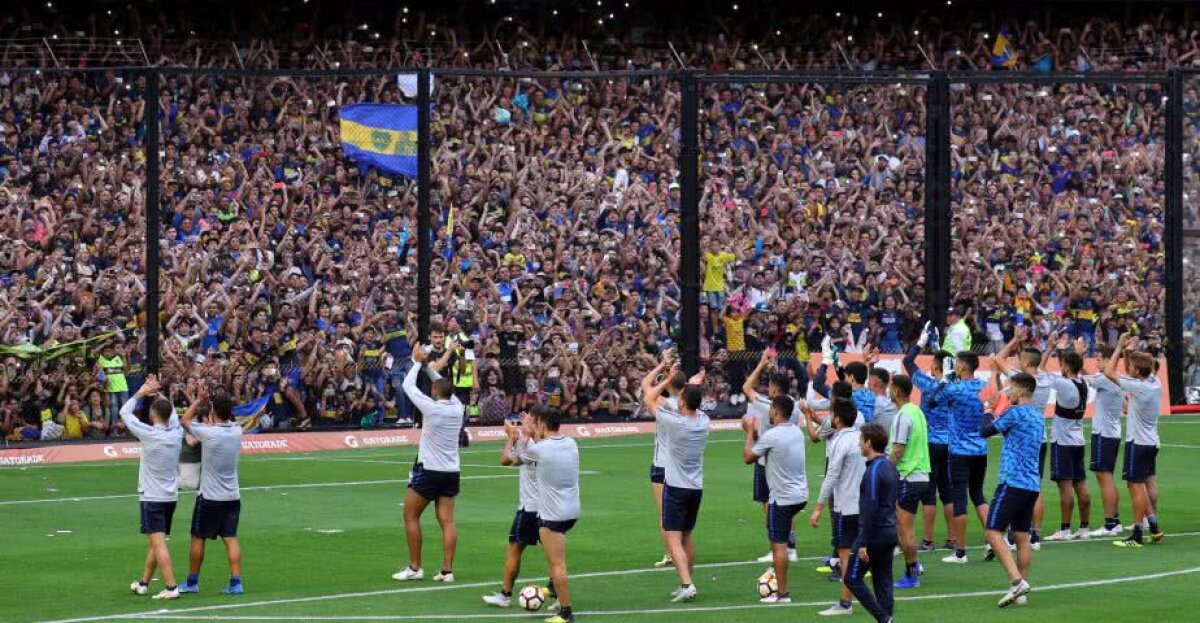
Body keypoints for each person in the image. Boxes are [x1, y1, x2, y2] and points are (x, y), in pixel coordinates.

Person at [393, 345, 465, 582]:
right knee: (447, 521)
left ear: (434, 391)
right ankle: (447, 570)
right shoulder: (458, 407)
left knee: (410, 516)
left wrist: (416, 362)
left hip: (429, 471)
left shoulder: (432, 408)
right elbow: (444, 383)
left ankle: (415, 568)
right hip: (451, 472)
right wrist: (428, 367)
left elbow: (407, 387)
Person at [643, 353, 709, 604]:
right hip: (696, 487)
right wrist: (693, 385)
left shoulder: (673, 423)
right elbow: (693, 402)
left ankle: (687, 583)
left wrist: (668, 377)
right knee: (687, 536)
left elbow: (649, 397)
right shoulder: (703, 420)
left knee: (672, 536)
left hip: (676, 487)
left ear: (682, 402)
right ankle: (686, 580)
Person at [980, 372, 1043, 608]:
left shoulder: (1015, 413)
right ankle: (1022, 589)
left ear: (1019, 391)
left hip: (1012, 482)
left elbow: (985, 431)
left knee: (993, 531)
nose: (1008, 391)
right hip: (1031, 484)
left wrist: (988, 407)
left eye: (1010, 388)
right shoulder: (1037, 416)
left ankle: (1016, 581)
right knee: (1022, 536)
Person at [120, 374, 185, 600]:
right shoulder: (177, 433)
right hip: (170, 496)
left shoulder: (148, 434)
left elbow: (124, 413)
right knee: (156, 543)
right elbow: (173, 414)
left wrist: (141, 392)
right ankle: (143, 582)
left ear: (152, 414)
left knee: (158, 544)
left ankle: (170, 587)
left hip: (152, 497)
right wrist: (159, 394)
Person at [482, 408, 551, 609]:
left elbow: (508, 460)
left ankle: (505, 596)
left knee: (515, 548)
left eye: (528, 420)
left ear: (538, 423)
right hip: (543, 506)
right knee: (551, 552)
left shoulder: (535, 446)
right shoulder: (542, 443)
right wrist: (516, 437)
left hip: (531, 508)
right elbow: (505, 460)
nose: (524, 423)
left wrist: (514, 437)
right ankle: (555, 590)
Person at [742, 394, 807, 604]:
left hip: (782, 498)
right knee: (782, 542)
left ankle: (782, 594)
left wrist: (750, 433)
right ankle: (778, 573)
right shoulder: (797, 432)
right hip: (800, 496)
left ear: (777, 412)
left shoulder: (772, 435)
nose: (768, 413)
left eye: (771, 410)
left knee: (778, 546)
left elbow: (748, 457)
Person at [179, 389, 245, 595]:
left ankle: (192, 582)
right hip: (232, 495)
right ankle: (236, 582)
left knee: (198, 538)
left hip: (209, 497)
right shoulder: (237, 431)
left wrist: (198, 400)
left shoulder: (209, 433)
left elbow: (184, 420)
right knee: (231, 538)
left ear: (213, 411)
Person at [520, 406, 580, 623]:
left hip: (552, 513)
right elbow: (543, 448)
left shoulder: (539, 450)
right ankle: (554, 591)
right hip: (572, 510)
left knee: (557, 563)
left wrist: (525, 435)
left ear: (542, 425)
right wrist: (534, 434)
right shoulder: (571, 442)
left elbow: (515, 457)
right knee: (557, 562)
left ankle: (565, 612)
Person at [1105, 335, 1165, 548]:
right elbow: (1147, 363)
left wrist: (1120, 347)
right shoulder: (1153, 381)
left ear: (1137, 371)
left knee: (1135, 487)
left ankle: (1137, 534)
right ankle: (1155, 527)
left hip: (1138, 443)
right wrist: (1130, 352)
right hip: (1151, 442)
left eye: (1130, 366)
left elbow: (1108, 372)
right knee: (1143, 483)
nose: (1127, 367)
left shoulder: (1138, 386)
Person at [742, 348, 801, 563]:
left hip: (767, 459)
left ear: (775, 390)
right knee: (786, 504)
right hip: (789, 458)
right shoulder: (793, 407)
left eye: (770, 386)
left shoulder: (769, 406)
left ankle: (777, 546)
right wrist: (772, 368)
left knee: (770, 504)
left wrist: (760, 365)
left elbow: (747, 387)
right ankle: (791, 547)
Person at [811, 399, 866, 617]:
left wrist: (818, 507)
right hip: (864, 505)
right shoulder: (862, 440)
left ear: (837, 419)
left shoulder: (838, 443)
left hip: (846, 506)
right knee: (861, 552)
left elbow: (831, 476)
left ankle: (845, 602)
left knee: (845, 553)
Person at [903, 324, 952, 552]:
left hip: (930, 443)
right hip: (951, 443)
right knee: (949, 492)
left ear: (934, 366)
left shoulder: (927, 383)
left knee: (929, 494)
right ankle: (953, 539)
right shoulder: (955, 387)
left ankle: (928, 541)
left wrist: (921, 342)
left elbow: (908, 363)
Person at [844, 422, 900, 623]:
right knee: (883, 581)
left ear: (868, 443)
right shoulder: (890, 466)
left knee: (851, 577)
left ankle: (884, 619)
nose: (859, 445)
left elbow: (872, 507)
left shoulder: (873, 471)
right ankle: (887, 617)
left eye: (861, 441)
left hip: (874, 535)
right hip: (890, 532)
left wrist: (864, 541)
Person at [940, 352, 989, 564]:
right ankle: (993, 540)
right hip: (980, 449)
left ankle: (960, 552)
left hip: (960, 451)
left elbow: (933, 401)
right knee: (978, 494)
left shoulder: (955, 388)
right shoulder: (983, 386)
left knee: (959, 498)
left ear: (962, 366)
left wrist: (946, 379)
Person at [1042, 341, 1092, 541]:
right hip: (1078, 440)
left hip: (1062, 441)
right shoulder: (1083, 384)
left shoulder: (1064, 384)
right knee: (1080, 484)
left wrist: (1050, 348)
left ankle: (1064, 529)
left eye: (1062, 363)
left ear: (1066, 366)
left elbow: (1040, 369)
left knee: (1065, 486)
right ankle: (1085, 528)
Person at [641, 357, 688, 569]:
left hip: (662, 465)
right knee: (682, 513)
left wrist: (661, 367)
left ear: (668, 383)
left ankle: (671, 553)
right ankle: (682, 549)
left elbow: (646, 387)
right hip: (681, 466)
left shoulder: (663, 404)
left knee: (664, 515)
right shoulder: (688, 406)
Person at [888, 375, 930, 590]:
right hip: (919, 474)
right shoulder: (916, 411)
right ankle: (914, 564)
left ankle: (912, 574)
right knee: (899, 525)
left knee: (906, 529)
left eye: (890, 387)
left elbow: (898, 449)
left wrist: (885, 471)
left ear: (896, 391)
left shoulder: (904, 415)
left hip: (908, 475)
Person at [1083, 344, 1126, 537]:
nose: (1097, 362)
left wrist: (1078, 355)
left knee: (1105, 478)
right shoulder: (1114, 379)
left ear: (1109, 360)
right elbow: (1087, 378)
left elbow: (1080, 378)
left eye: (1099, 359)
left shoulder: (1105, 379)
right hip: (1112, 432)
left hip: (1103, 433)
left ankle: (1110, 523)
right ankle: (1114, 520)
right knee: (1107, 477)